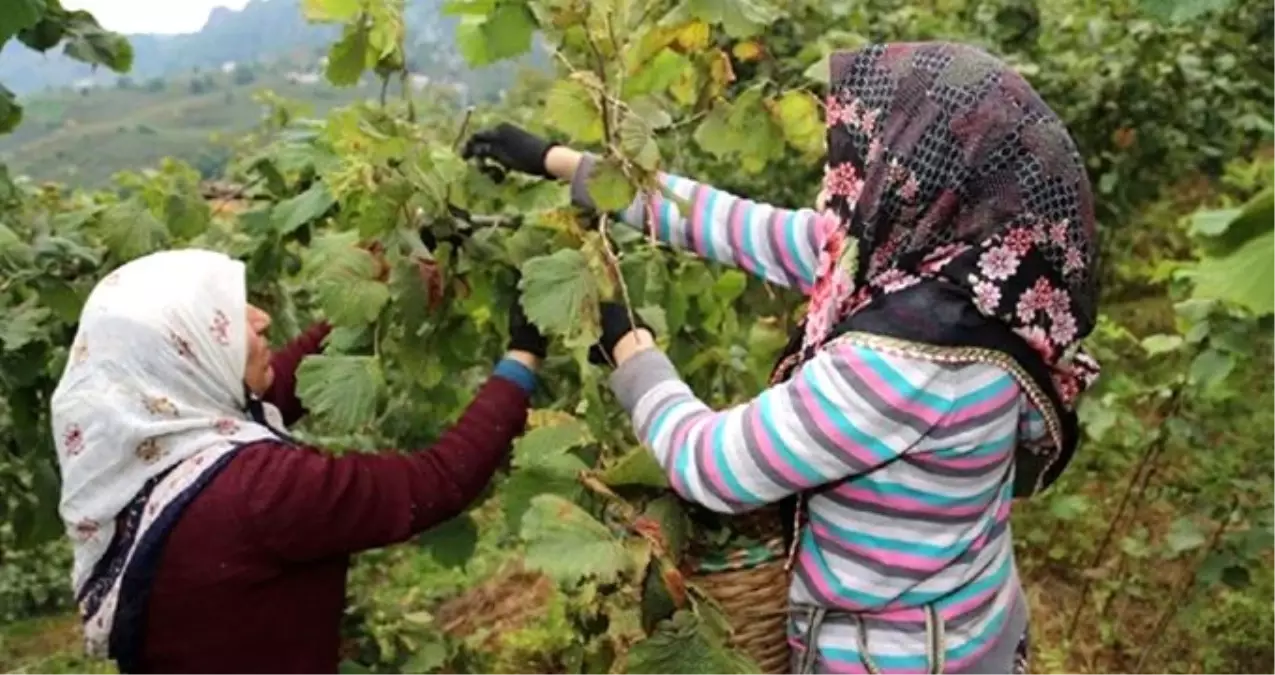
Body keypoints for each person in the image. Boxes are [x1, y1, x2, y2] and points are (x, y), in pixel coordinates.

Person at [464, 42, 1100, 674]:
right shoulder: (978, 280)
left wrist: (632, 354)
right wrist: (564, 164)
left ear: (921, 172)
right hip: (972, 622)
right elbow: (738, 226)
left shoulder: (910, 363)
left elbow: (715, 467)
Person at [50, 247, 547, 675]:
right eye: (223, 318)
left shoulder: (147, 443)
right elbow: (437, 481)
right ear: (190, 354)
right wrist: (522, 358)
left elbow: (284, 382)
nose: (261, 317)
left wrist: (384, 277)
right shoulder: (261, 491)